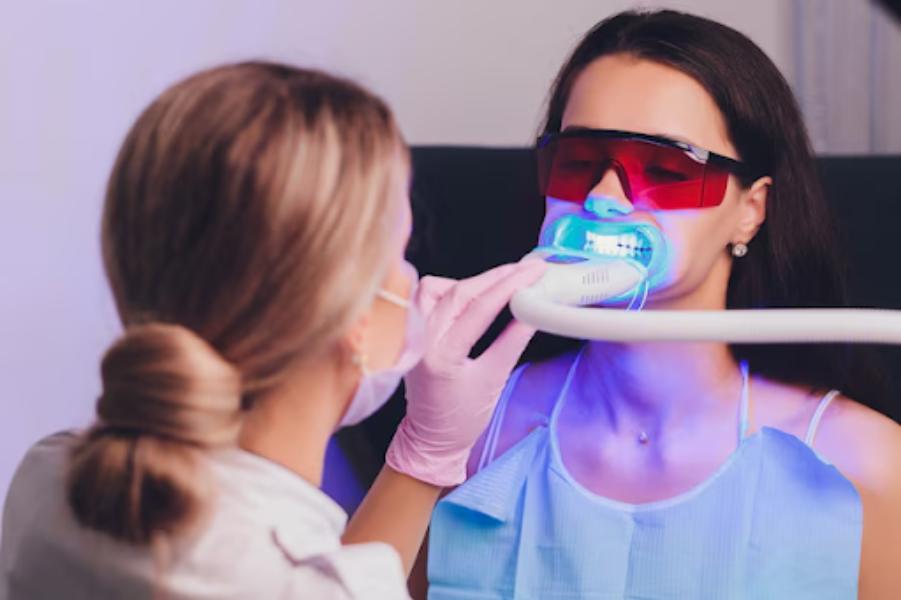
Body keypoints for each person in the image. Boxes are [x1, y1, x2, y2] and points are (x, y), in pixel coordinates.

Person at [0, 61, 546, 599]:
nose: (411, 280)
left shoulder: (47, 478)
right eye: (400, 251)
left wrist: (423, 455)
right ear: (351, 314)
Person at [427, 10, 901, 599]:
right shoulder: (466, 426)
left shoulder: (865, 464)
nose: (603, 198)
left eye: (664, 168)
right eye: (578, 162)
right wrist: (422, 452)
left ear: (751, 210)